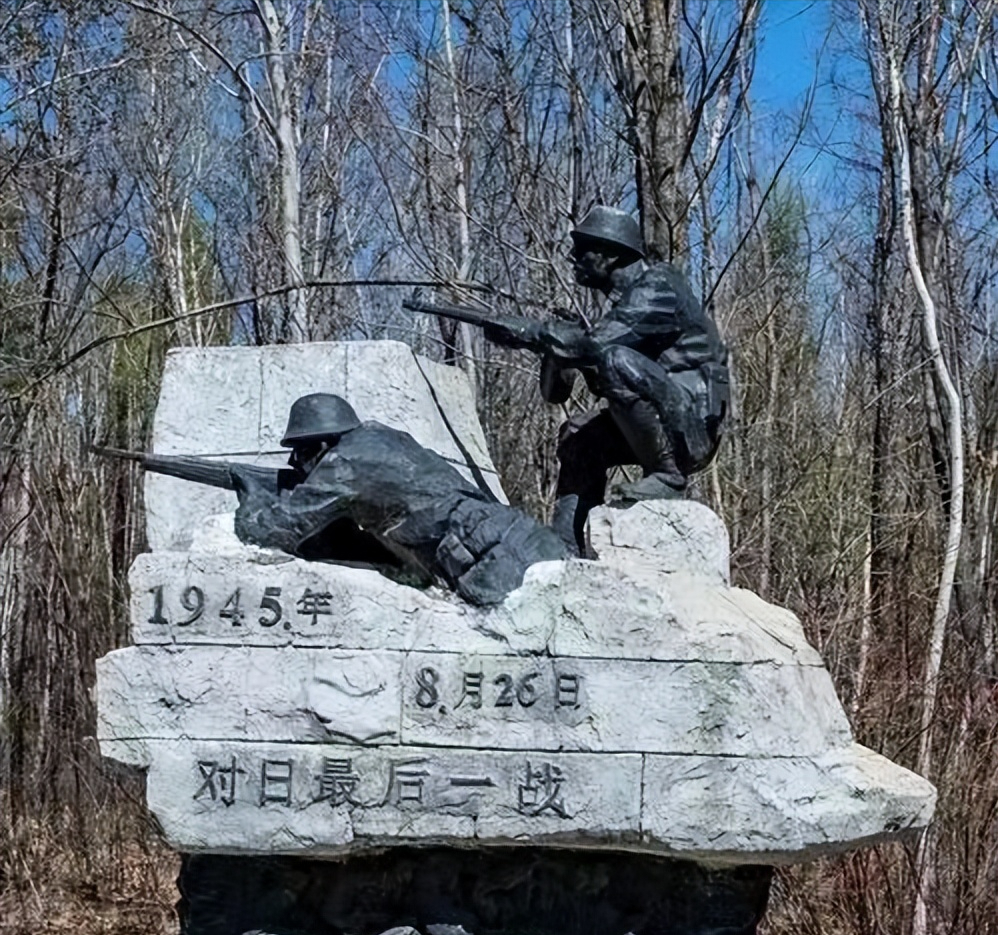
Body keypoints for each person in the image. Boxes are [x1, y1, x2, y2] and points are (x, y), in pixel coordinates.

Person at [230, 393, 570, 605]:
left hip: (493, 560)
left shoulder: (343, 464)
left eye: (300, 455)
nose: (297, 465)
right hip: (522, 536)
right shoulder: (384, 438)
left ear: (320, 447)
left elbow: (272, 532)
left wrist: (251, 497)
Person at [521, 206, 730, 552]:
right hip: (663, 420)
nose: (573, 257)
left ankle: (667, 477)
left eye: (583, 248)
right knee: (577, 435)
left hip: (691, 428)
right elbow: (555, 393)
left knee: (614, 358)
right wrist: (551, 348)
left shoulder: (660, 286)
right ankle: (565, 546)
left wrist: (555, 337)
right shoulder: (623, 311)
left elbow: (601, 347)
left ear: (610, 254)